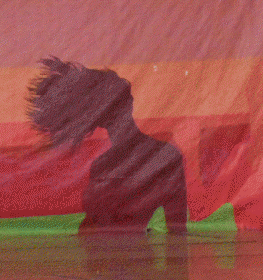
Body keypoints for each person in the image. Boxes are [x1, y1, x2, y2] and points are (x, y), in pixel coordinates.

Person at [28, 57, 188, 234]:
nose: (118, 119)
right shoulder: (104, 166)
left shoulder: (163, 157)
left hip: (117, 247)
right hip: (107, 246)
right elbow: (177, 227)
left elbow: (177, 226)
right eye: (113, 112)